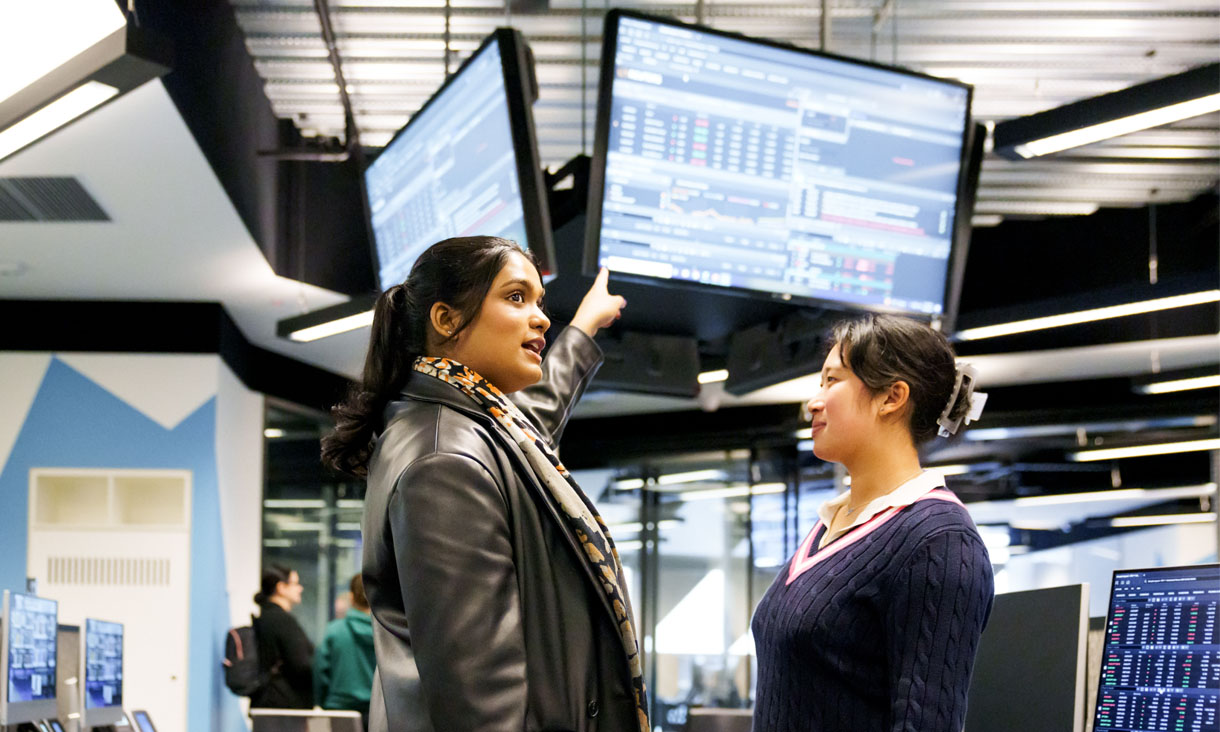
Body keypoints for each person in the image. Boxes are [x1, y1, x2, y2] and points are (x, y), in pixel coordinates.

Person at [321, 236, 649, 732]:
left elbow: (530, 424)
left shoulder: (462, 423)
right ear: (446, 320)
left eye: (540, 302)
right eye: (517, 298)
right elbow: (481, 707)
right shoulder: (444, 460)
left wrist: (583, 328)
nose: (541, 318)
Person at [751, 313, 995, 732]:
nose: (814, 401)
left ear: (892, 397)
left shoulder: (939, 540)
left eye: (833, 381)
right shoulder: (832, 523)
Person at [314, 575, 376, 728]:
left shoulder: (334, 631)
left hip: (339, 712)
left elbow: (320, 673)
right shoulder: (386, 637)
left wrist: (322, 702)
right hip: (377, 714)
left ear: (351, 596)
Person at [251, 564, 315, 710]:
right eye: (295, 583)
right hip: (285, 705)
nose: (300, 588)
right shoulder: (282, 620)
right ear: (281, 588)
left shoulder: (265, 616)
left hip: (267, 701)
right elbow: (301, 664)